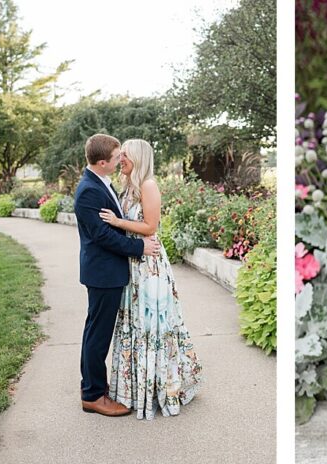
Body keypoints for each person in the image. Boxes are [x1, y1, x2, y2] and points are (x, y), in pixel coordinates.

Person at [99, 139, 202, 419]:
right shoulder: (128, 187)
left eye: (125, 156)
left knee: (152, 324)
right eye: (119, 156)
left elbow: (150, 226)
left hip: (149, 266)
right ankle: (134, 389)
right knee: (134, 323)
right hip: (131, 263)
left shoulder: (148, 185)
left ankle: (162, 387)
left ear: (138, 158)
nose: (121, 160)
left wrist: (118, 222)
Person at [75, 133, 159, 417]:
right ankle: (93, 395)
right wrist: (140, 247)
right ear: (102, 162)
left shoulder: (102, 183)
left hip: (108, 271)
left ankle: (96, 387)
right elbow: (102, 236)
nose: (120, 159)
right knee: (97, 336)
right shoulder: (89, 190)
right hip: (103, 272)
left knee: (96, 332)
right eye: (116, 157)